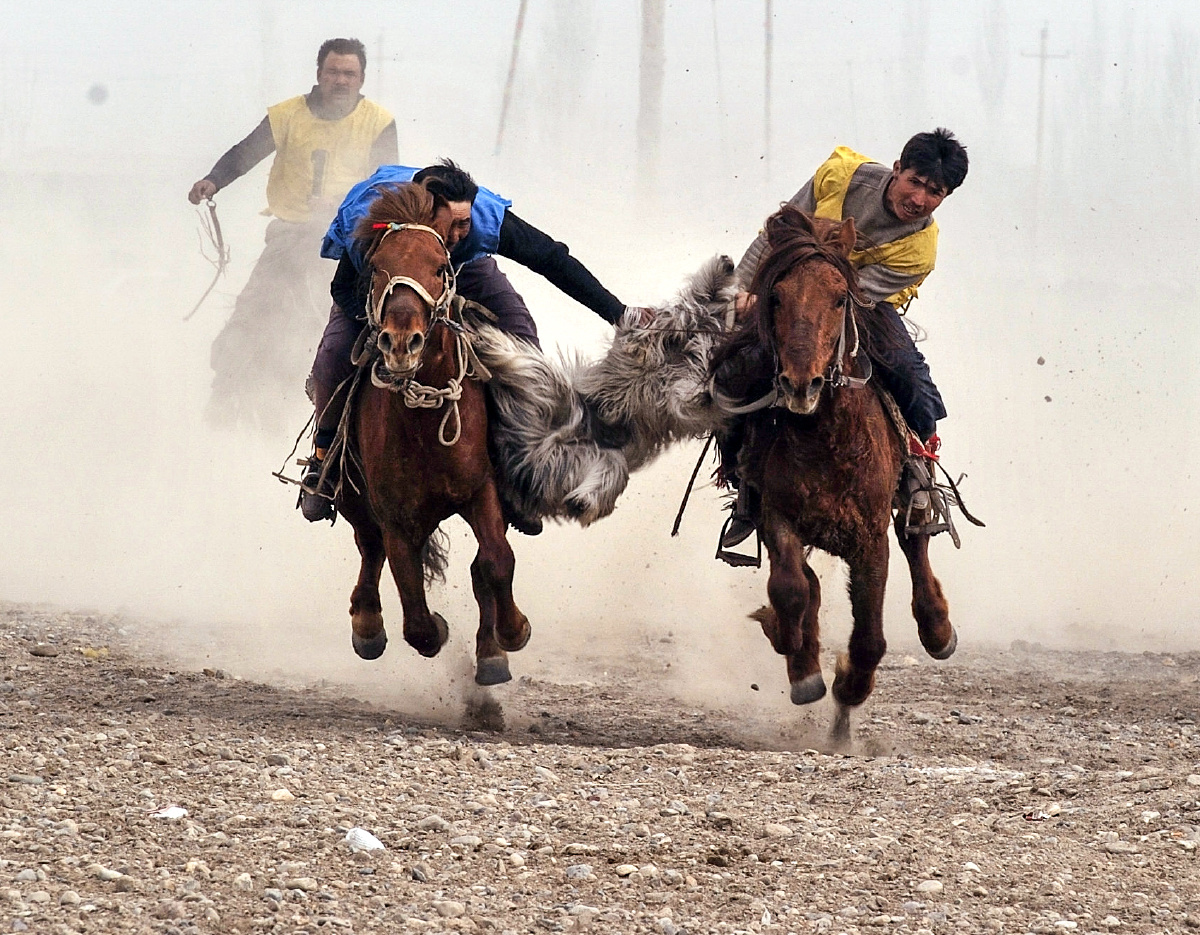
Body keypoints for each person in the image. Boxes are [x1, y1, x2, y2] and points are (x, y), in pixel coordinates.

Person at [300, 160, 640, 527]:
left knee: (520, 332)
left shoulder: (478, 221)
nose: (463, 230)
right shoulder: (367, 221)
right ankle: (325, 461)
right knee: (333, 357)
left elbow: (551, 258)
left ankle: (519, 468)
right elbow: (342, 290)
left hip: (458, 268)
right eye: (455, 224)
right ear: (427, 215)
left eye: (467, 222)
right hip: (386, 283)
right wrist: (390, 321)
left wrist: (618, 313)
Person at [717, 128, 969, 552]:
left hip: (862, 303)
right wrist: (739, 292)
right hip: (794, 284)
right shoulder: (841, 175)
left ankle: (917, 474)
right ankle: (744, 482)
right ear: (897, 169)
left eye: (935, 192)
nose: (919, 199)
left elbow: (852, 294)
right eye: (915, 182)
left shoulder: (919, 251)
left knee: (906, 369)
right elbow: (776, 235)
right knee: (734, 367)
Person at [187, 37, 398, 427]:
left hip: (348, 248)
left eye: (348, 73)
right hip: (288, 239)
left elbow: (387, 185)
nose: (340, 80)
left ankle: (364, 413)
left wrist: (341, 204)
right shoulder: (287, 115)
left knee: (373, 329)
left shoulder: (379, 122)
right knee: (248, 316)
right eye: (333, 71)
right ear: (319, 74)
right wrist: (213, 180)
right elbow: (244, 152)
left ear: (361, 79)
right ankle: (223, 403)